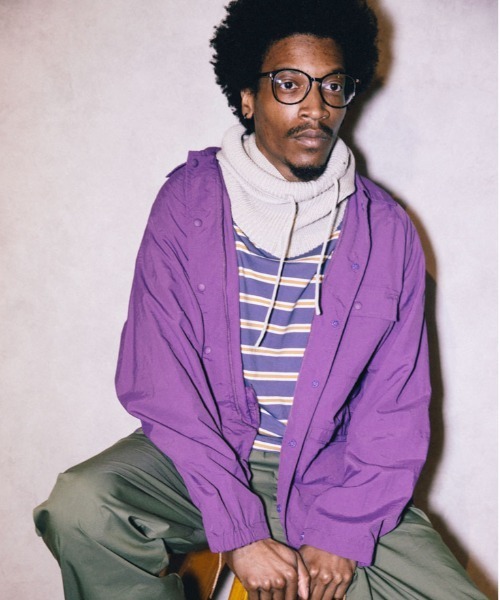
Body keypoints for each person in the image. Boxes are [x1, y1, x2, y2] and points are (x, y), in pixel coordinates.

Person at [33, 1, 487, 599]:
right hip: (201, 462)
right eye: (290, 84)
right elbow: (163, 381)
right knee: (82, 506)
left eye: (333, 86)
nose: (316, 107)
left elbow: (393, 409)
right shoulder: (188, 204)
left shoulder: (387, 231)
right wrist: (240, 530)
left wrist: (342, 535)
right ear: (248, 97)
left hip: (330, 474)